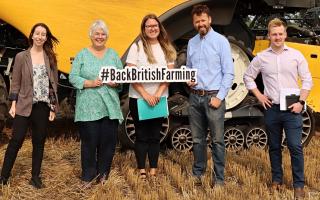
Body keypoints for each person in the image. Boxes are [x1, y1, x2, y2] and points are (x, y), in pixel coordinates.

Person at [243, 18, 313, 199]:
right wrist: (259, 96)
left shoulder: (296, 55)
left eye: (280, 34)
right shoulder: (261, 57)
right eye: (274, 34)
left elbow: (307, 81)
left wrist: (301, 103)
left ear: (285, 35)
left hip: (292, 107)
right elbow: (248, 77)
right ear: (269, 36)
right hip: (272, 108)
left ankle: (298, 185)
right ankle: (277, 180)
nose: (277, 37)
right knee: (274, 146)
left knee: (294, 146)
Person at [0, 23, 59, 189]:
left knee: (39, 142)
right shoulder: (21, 57)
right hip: (24, 104)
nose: (40, 37)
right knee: (16, 140)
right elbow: (16, 82)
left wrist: (53, 106)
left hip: (42, 106)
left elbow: (53, 84)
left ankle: (35, 177)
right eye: (37, 33)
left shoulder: (51, 58)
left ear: (46, 38)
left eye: (43, 34)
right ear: (32, 35)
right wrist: (13, 103)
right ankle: (4, 176)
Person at [69, 20, 123, 185]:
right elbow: (73, 77)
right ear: (91, 35)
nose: (100, 37)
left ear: (106, 36)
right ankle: (88, 176)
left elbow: (121, 77)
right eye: (97, 33)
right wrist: (90, 83)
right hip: (88, 107)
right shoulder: (82, 54)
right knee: (89, 143)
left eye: (103, 34)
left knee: (108, 142)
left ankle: (103, 175)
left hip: (109, 107)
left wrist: (116, 82)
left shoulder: (113, 54)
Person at [186, 4, 234, 187]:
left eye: (203, 20)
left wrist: (220, 97)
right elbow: (189, 68)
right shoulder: (192, 42)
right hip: (195, 97)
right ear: (194, 23)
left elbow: (229, 73)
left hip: (214, 97)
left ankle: (219, 178)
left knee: (217, 141)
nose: (200, 24)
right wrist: (188, 79)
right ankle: (198, 172)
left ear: (210, 20)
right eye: (197, 21)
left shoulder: (221, 41)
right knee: (197, 140)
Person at [126, 14, 176, 180]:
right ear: (144, 29)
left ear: (159, 28)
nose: (153, 28)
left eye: (155, 25)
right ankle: (142, 170)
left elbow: (169, 75)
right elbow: (130, 74)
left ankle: (153, 169)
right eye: (149, 26)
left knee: (155, 136)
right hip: (138, 98)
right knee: (141, 135)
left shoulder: (166, 47)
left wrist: (157, 94)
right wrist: (146, 94)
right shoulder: (137, 47)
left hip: (159, 98)